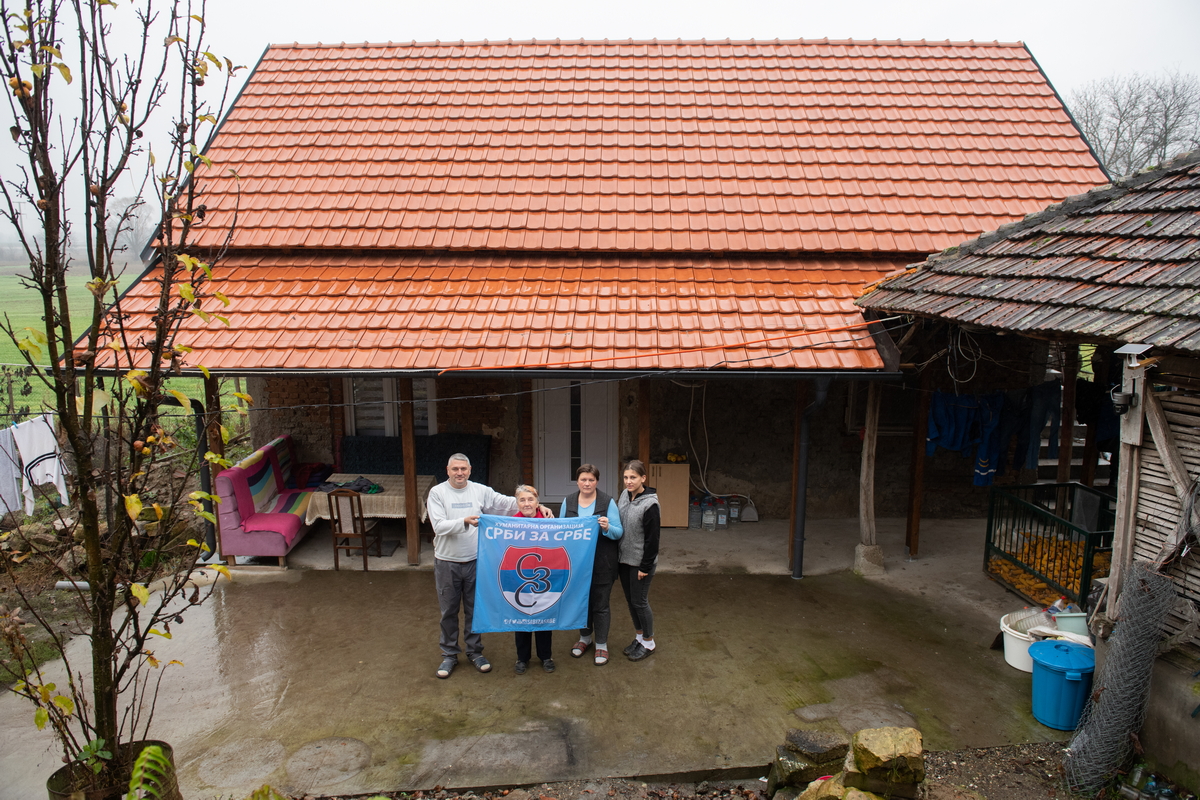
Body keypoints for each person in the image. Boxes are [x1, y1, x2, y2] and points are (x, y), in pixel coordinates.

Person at [426, 453, 550, 679]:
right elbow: (439, 526)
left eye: (463, 469)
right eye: (455, 469)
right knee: (449, 611)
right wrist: (464, 521)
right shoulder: (437, 493)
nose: (460, 473)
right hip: (447, 561)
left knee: (475, 610)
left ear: (470, 470)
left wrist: (537, 506)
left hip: (475, 561)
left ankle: (475, 652)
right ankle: (449, 655)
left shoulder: (480, 490)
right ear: (448, 470)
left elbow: (509, 502)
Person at [563, 464, 624, 666]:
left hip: (602, 563)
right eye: (583, 479)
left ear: (597, 481)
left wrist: (607, 527)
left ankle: (602, 644)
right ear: (577, 481)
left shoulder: (607, 502)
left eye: (591, 480)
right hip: (577, 564)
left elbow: (618, 532)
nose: (587, 483)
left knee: (601, 605)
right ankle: (585, 638)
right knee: (582, 603)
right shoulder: (568, 501)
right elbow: (560, 531)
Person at [510, 484, 557, 675]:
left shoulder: (549, 521)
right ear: (517, 503)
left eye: (530, 499)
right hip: (519, 578)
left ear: (538, 502)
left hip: (543, 578)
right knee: (521, 618)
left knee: (543, 617)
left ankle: (546, 656)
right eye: (522, 500)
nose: (527, 503)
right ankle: (522, 658)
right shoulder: (510, 523)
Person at [617, 459, 660, 662]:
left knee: (640, 602)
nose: (628, 481)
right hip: (624, 560)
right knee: (631, 601)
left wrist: (645, 566)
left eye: (633, 477)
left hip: (640, 563)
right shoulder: (624, 496)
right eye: (626, 477)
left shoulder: (650, 505)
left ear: (643, 478)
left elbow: (653, 540)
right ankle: (639, 637)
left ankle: (649, 642)